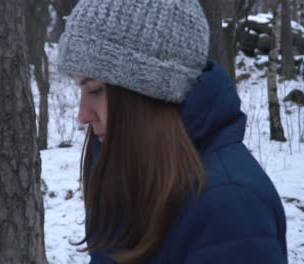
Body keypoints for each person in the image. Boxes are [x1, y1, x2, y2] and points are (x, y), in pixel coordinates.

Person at [57, 0, 288, 263]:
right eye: (81, 90)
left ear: (151, 90)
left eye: (95, 90)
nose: (82, 115)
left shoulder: (231, 207)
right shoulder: (124, 165)